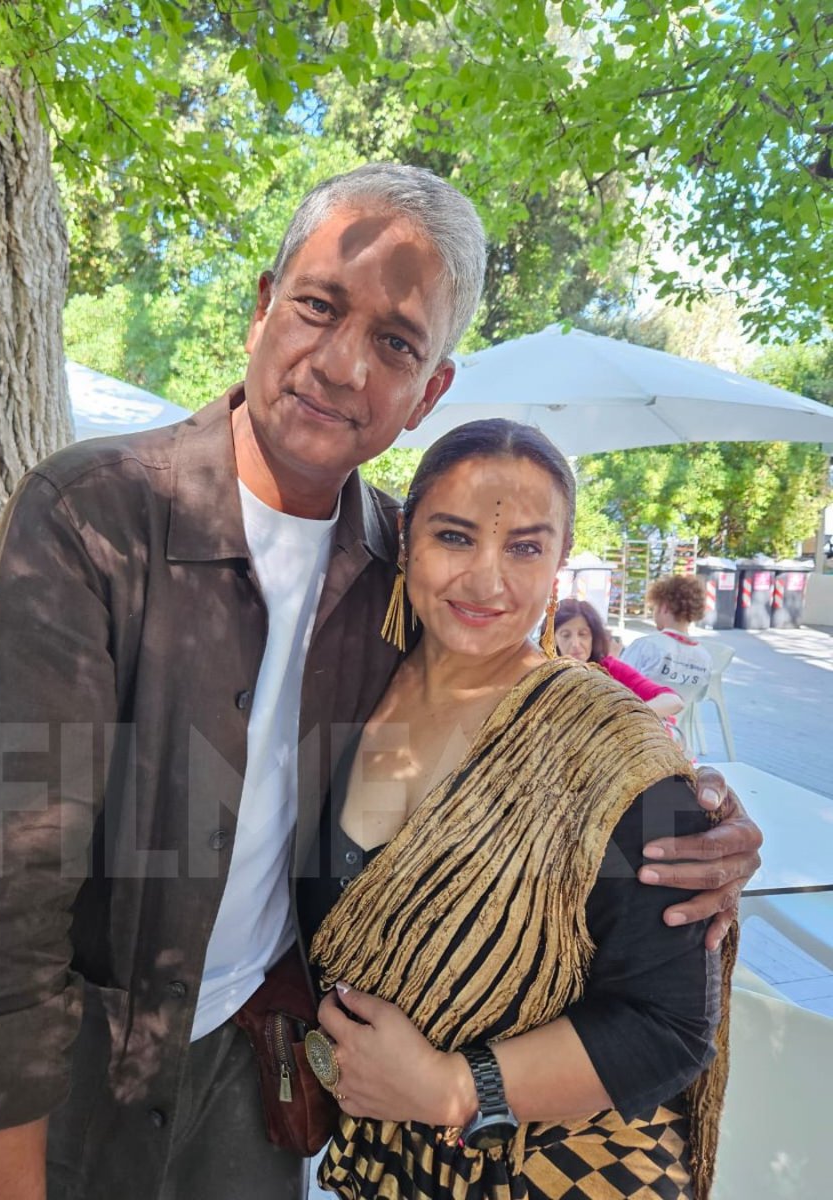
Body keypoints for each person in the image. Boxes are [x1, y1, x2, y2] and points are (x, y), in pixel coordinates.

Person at [0, 164, 759, 1200]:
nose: (344, 364)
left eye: (397, 342)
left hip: (251, 1086)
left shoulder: (410, 564)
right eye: (318, 305)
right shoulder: (94, 519)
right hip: (65, 1081)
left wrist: (691, 820)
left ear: (430, 389)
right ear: (263, 307)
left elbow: (540, 733)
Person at [300, 420, 731, 1200]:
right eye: (455, 537)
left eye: (525, 548)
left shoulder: (615, 747)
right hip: (387, 1170)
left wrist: (456, 1089)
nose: (487, 582)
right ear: (406, 538)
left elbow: (672, 1026)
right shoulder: (347, 689)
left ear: (561, 560)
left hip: (560, 1174)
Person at [554, 596, 683, 720]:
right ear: (552, 639)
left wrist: (622, 718)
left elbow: (672, 701)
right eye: (565, 635)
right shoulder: (544, 674)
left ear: (594, 636)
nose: (575, 643)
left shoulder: (609, 668)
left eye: (583, 634)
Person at [622, 575, 713, 705]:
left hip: (640, 720)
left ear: (664, 607)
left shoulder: (646, 646)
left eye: (654, 607)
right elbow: (698, 698)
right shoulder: (705, 658)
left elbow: (616, 686)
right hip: (678, 724)